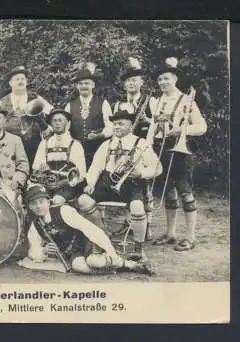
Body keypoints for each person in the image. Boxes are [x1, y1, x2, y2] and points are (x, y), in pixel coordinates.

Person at [76, 110, 162, 262]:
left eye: (120, 124)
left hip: (131, 183)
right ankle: (102, 236)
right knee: (83, 200)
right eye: (114, 124)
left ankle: (138, 248)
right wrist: (90, 183)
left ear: (130, 126)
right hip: (107, 182)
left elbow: (157, 168)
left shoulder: (141, 144)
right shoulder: (106, 144)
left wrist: (140, 173)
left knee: (136, 207)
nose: (116, 127)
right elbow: (95, 168)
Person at [147, 57, 208, 251]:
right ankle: (171, 233)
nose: (162, 83)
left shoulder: (186, 100)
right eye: (159, 80)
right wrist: (147, 147)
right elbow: (153, 128)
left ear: (174, 79)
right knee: (169, 192)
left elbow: (201, 126)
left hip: (181, 152)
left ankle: (190, 237)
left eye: (166, 79)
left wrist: (182, 131)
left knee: (185, 191)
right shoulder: (157, 101)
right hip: (161, 150)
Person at [24, 185, 153, 275]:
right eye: (33, 203)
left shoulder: (63, 210)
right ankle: (114, 268)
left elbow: (90, 229)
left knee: (93, 261)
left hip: (86, 241)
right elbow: (32, 250)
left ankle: (128, 264)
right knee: (80, 267)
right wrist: (43, 251)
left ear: (48, 201)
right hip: (71, 252)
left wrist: (110, 250)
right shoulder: (35, 225)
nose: (38, 206)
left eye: (41, 201)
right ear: (29, 206)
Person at [113, 57, 158, 239]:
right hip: (124, 149)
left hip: (143, 148)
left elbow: (156, 125)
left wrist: (149, 122)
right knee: (123, 183)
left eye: (134, 80)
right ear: (124, 85)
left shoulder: (150, 101)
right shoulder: (119, 104)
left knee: (146, 187)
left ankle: (147, 225)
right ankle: (128, 223)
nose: (131, 83)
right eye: (128, 81)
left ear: (141, 82)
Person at [0, 66, 54, 165]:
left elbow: (52, 112)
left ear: (26, 81)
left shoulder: (35, 97)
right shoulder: (3, 101)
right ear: (10, 83)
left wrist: (46, 127)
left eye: (23, 79)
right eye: (17, 79)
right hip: (10, 145)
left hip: (33, 144)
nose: (20, 81)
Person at [31, 108, 86, 206]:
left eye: (60, 120)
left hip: (67, 185)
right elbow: (35, 169)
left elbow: (81, 174)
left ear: (67, 123)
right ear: (51, 124)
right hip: (47, 184)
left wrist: (63, 183)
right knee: (36, 199)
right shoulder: (44, 143)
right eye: (54, 121)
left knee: (56, 201)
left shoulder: (75, 144)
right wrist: (42, 169)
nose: (57, 123)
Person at [64, 62, 113, 168]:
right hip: (76, 152)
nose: (84, 86)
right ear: (77, 86)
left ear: (93, 85)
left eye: (87, 83)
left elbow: (110, 126)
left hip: (99, 150)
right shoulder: (69, 105)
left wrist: (100, 135)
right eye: (81, 84)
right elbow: (65, 129)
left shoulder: (103, 103)